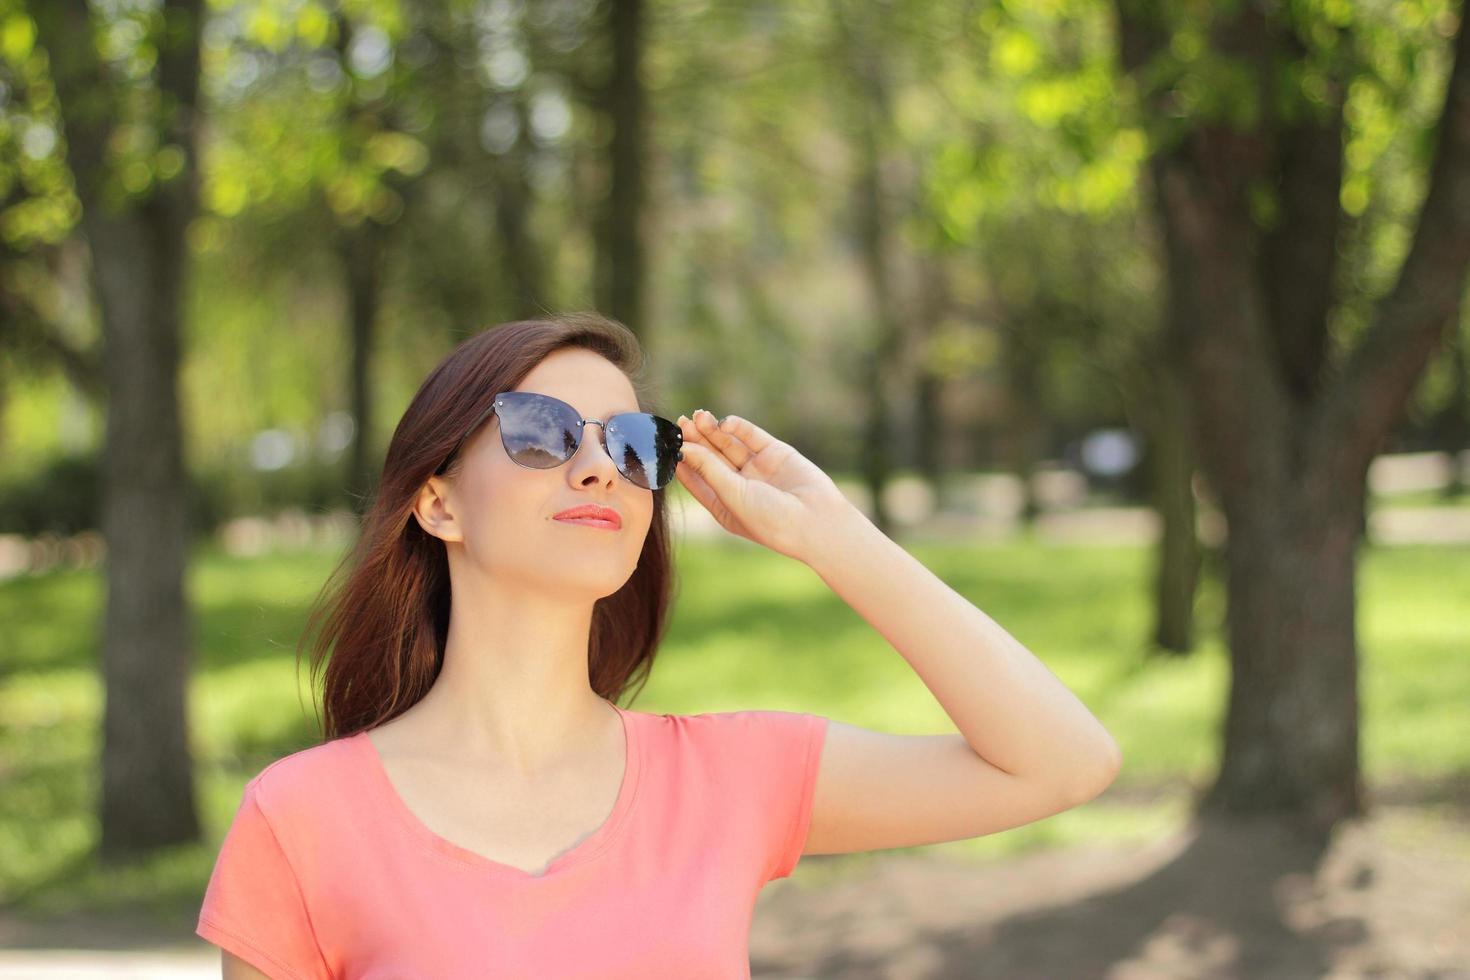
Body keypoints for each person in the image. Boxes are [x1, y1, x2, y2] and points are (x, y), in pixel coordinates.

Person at [196, 311, 1121, 978]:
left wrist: (832, 534)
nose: (599, 465)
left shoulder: (729, 778)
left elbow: (1062, 763)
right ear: (438, 502)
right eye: (542, 434)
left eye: (636, 446)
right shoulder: (303, 821)